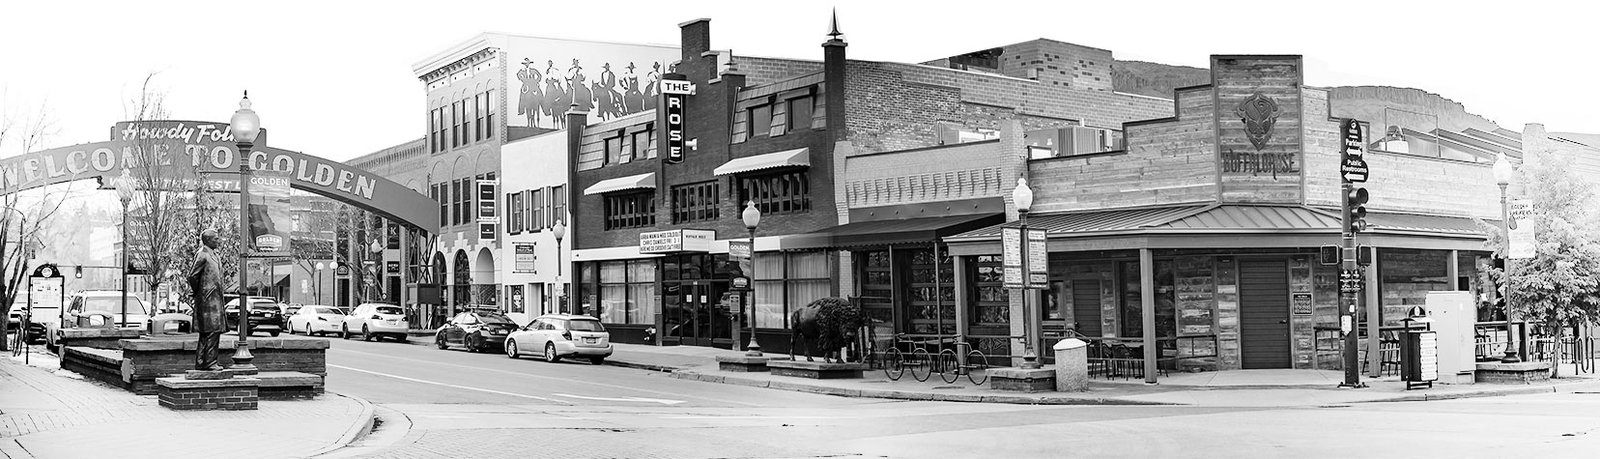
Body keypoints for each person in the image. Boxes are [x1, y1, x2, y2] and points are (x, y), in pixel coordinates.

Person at [188, 229, 226, 371]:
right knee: (211, 331)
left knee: (210, 332)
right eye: (216, 239)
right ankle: (209, 363)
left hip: (215, 299)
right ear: (208, 240)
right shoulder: (202, 254)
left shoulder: (214, 255)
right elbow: (192, 276)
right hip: (207, 300)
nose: (218, 241)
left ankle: (202, 362)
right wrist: (200, 292)